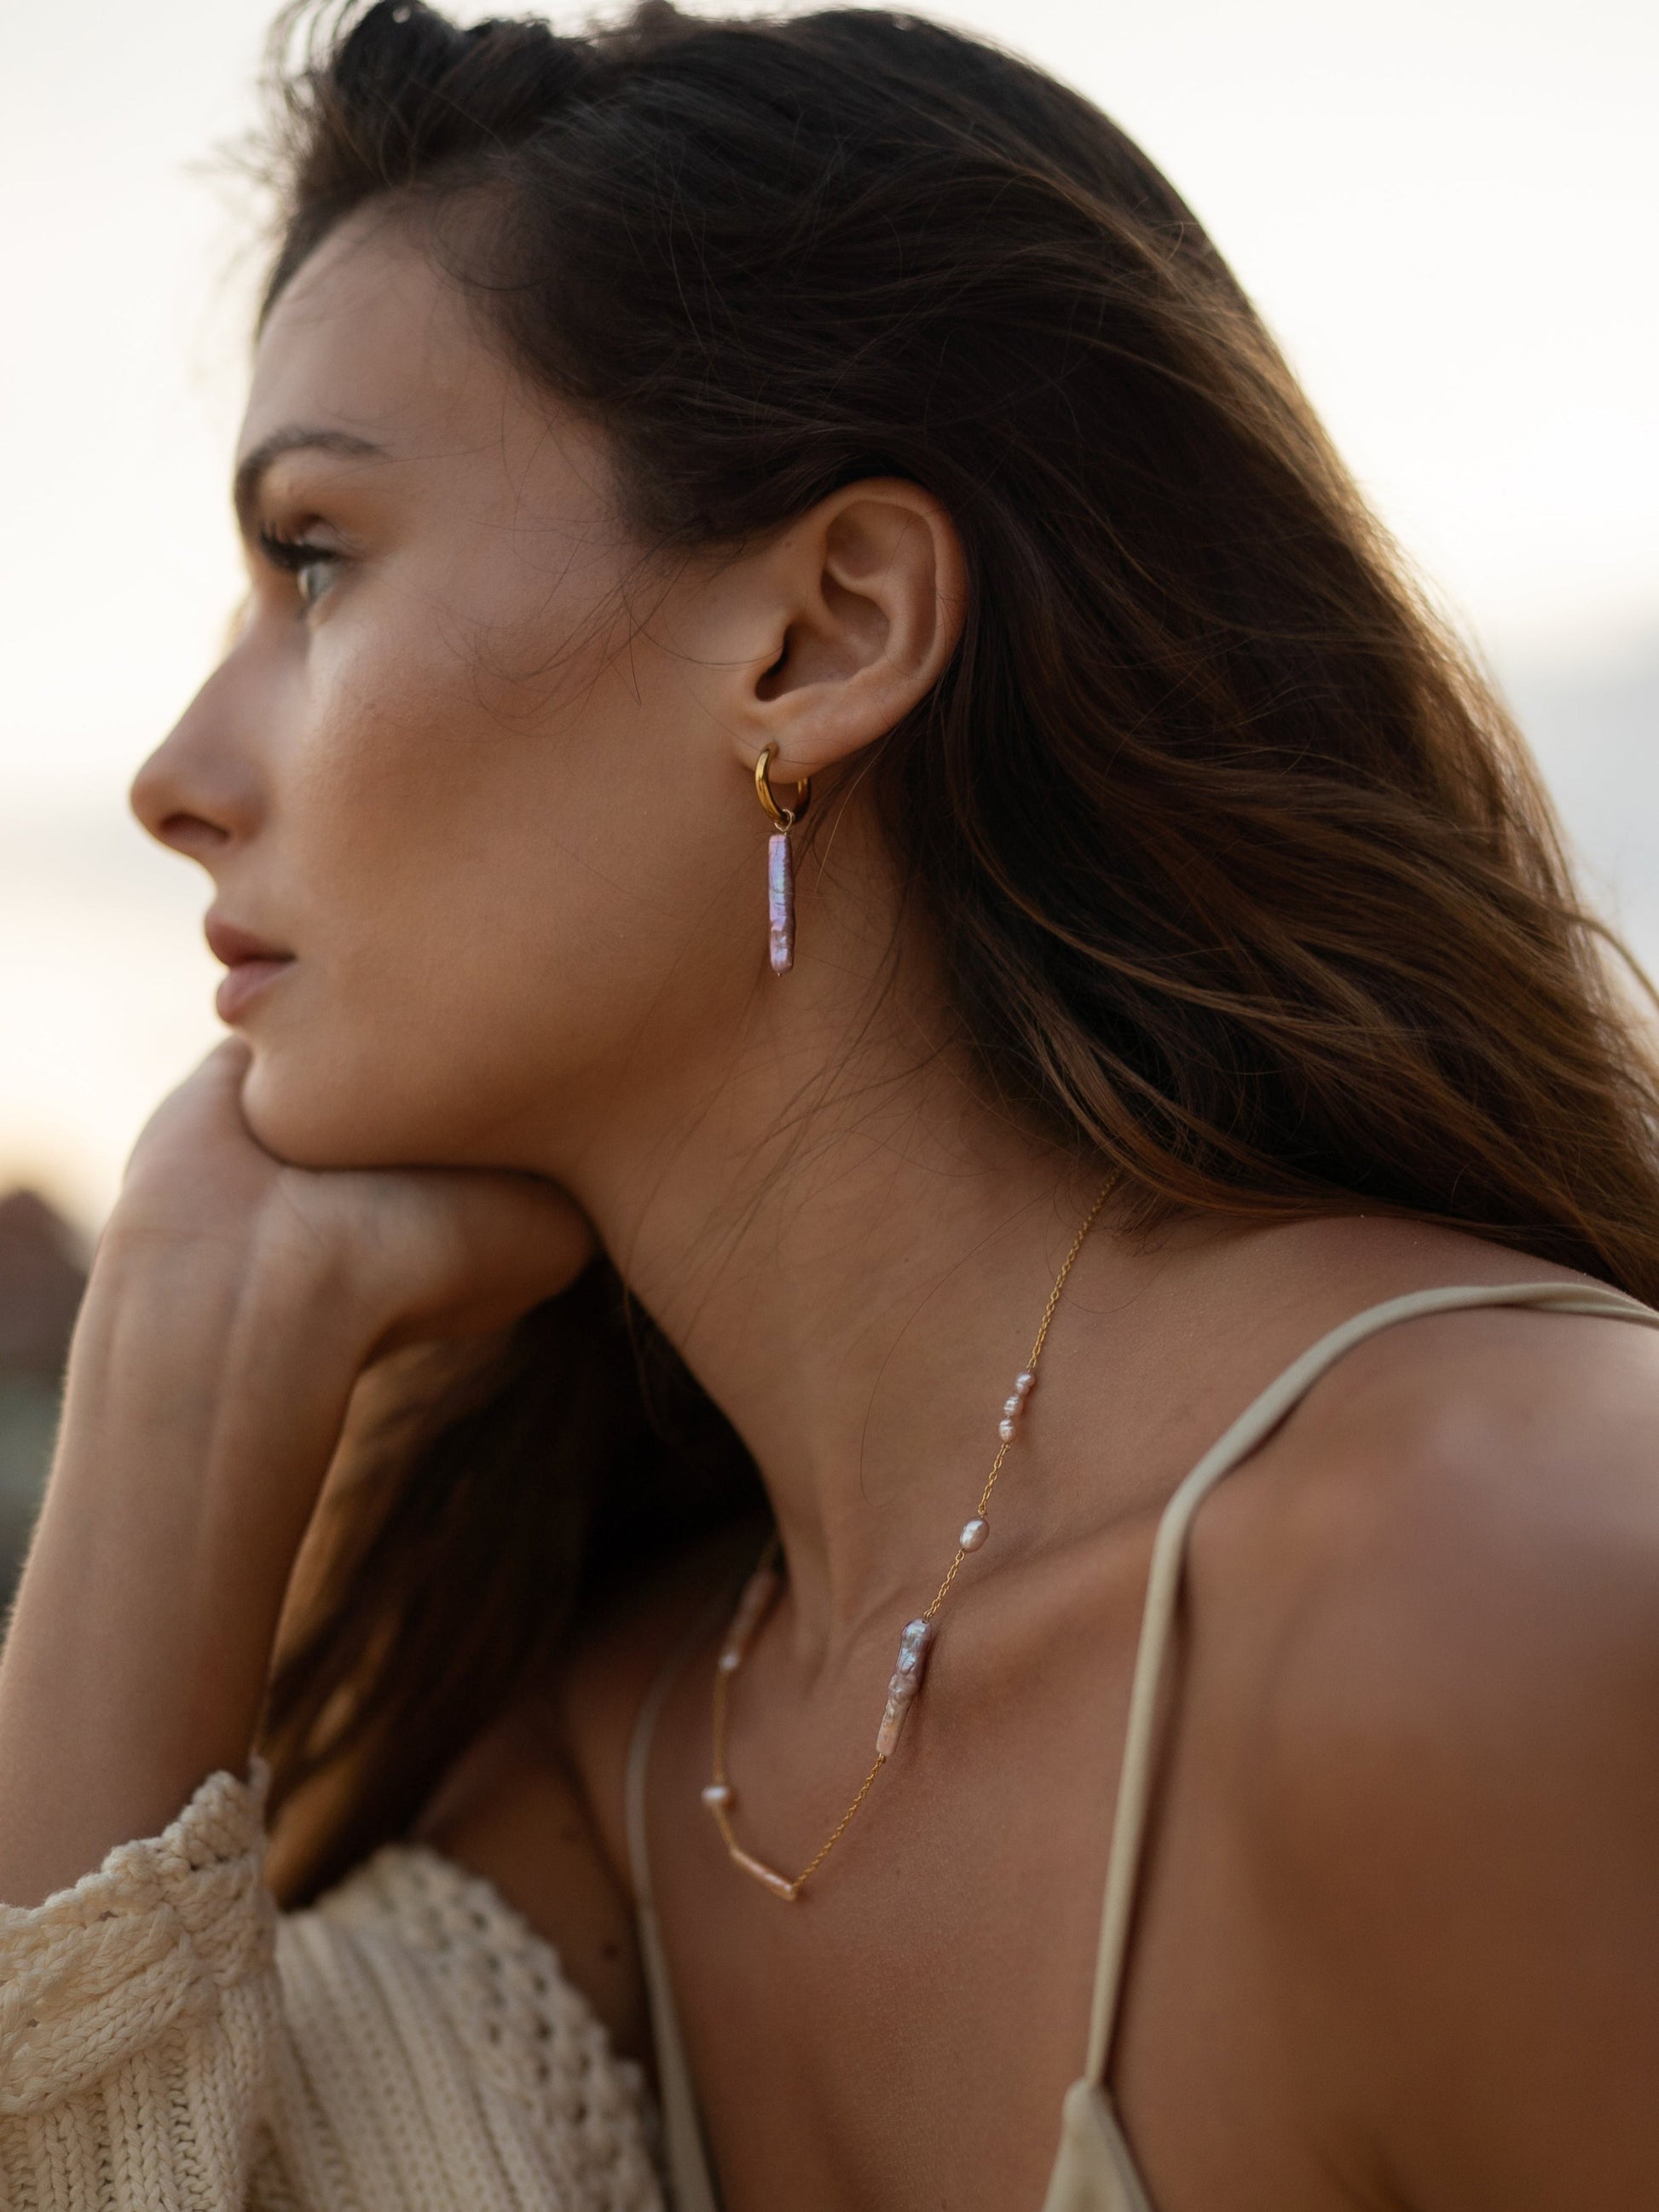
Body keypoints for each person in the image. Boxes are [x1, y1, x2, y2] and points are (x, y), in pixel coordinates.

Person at [4, 2, 1659, 2205]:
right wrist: (184, 1358)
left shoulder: (1503, 1593)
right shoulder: (625, 1773)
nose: (175, 773)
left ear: (821, 635)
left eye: (316, 559)